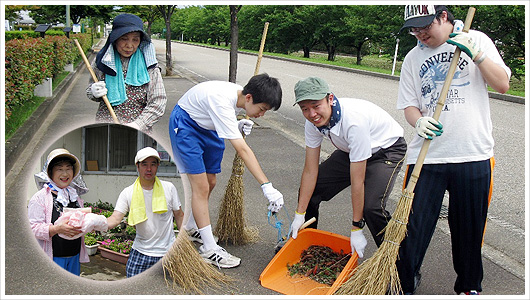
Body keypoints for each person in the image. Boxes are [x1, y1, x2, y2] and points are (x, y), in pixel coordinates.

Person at [396, 5, 511, 295]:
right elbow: (409, 105)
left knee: (469, 233)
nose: (420, 33)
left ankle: (469, 287)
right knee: (411, 230)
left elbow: (503, 85)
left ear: (443, 17)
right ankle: (403, 285)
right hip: (426, 158)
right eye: (414, 28)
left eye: (425, 25)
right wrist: (418, 120)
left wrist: (477, 55)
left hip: (472, 154)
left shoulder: (476, 39)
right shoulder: (412, 57)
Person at [168, 73, 284, 268]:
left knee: (211, 181)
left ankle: (189, 227)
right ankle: (209, 248)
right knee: (201, 187)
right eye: (262, 109)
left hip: (208, 127)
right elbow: (243, 150)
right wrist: (267, 186)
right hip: (186, 126)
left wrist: (235, 124)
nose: (261, 115)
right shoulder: (221, 100)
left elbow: (222, 115)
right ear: (249, 98)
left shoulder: (239, 94)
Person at [289, 77, 407, 259]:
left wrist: (356, 227)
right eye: (305, 108)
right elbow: (310, 171)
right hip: (350, 149)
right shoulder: (312, 123)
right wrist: (300, 214)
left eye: (316, 105)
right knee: (314, 188)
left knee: (372, 207)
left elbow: (357, 181)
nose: (312, 114)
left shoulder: (353, 121)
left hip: (385, 150)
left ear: (330, 99)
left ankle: (400, 261)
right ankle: (306, 244)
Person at [106, 147, 184, 278]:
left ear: (158, 165)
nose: (149, 169)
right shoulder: (128, 192)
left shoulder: (169, 188)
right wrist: (92, 223)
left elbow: (179, 215)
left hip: (168, 252)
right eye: (144, 164)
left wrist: (183, 244)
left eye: (153, 164)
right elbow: (115, 218)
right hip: (140, 252)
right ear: (137, 166)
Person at [86, 13, 167, 133]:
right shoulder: (103, 61)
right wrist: (93, 92)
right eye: (124, 38)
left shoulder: (149, 65)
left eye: (135, 39)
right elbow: (91, 91)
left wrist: (138, 125)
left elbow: (158, 101)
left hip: (138, 130)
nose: (129, 45)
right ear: (115, 38)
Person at [28, 149, 92, 275]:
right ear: (50, 172)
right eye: (59, 169)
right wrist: (57, 229)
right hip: (53, 258)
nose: (65, 173)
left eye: (68, 168)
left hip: (74, 255)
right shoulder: (40, 198)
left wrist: (90, 224)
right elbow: (33, 228)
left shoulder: (74, 195)